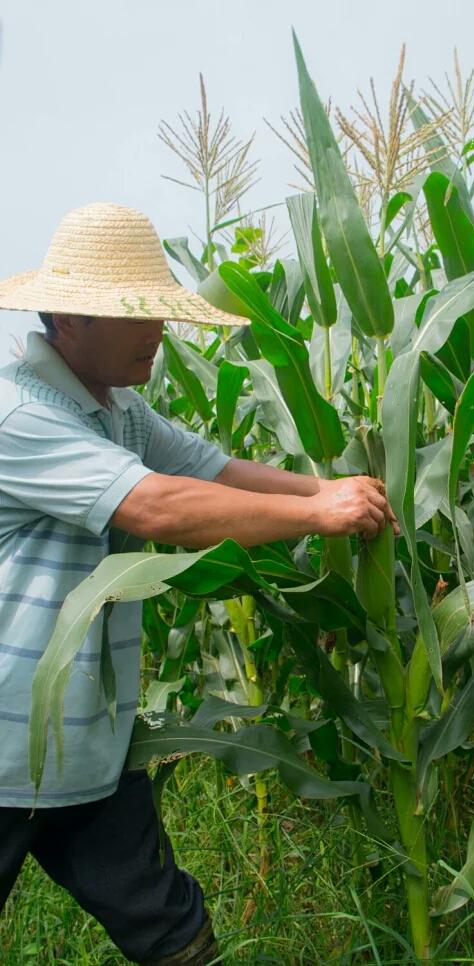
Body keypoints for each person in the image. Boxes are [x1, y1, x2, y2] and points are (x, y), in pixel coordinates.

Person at [0, 202, 397, 965]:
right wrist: (320, 520)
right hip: (7, 750)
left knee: (173, 930)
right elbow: (158, 505)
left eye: (159, 310)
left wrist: (323, 490)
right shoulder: (24, 413)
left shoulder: (119, 410)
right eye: (136, 313)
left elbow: (212, 469)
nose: (158, 328)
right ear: (70, 320)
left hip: (90, 744)